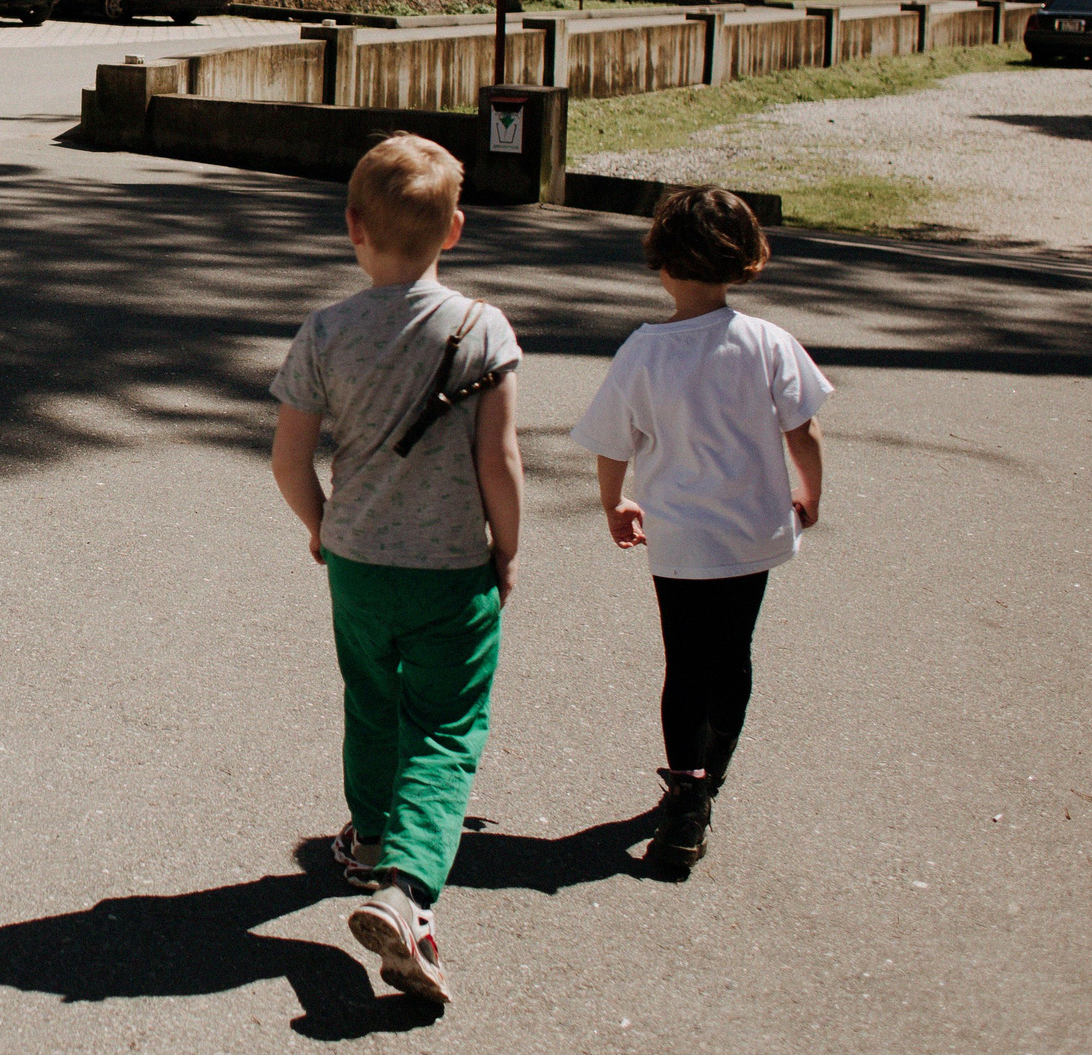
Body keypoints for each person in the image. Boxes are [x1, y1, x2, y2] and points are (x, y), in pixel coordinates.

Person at [270, 134, 524, 1006]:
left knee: (370, 697)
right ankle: (408, 891)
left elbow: (289, 458)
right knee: (446, 729)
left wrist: (321, 526)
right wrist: (507, 548)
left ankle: (371, 836)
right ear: (455, 229)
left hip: (358, 561)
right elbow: (502, 461)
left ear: (353, 227)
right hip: (452, 567)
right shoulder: (480, 328)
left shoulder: (326, 330)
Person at [571, 185, 829, 875]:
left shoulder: (644, 351)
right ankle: (711, 774)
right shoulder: (769, 341)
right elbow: (802, 429)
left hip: (680, 541)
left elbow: (612, 442)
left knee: (684, 661)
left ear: (662, 263)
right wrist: (810, 493)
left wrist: (613, 502)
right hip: (753, 533)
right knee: (732, 653)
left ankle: (685, 791)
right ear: (745, 259)